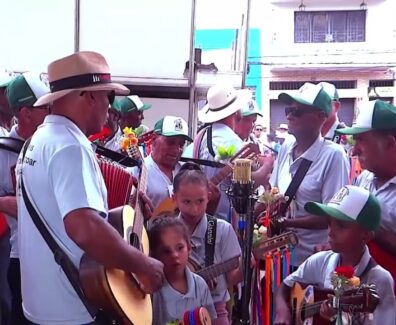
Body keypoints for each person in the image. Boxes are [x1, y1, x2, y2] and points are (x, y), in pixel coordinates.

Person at [16, 51, 164, 325]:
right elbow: (84, 228)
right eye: (108, 96)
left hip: (39, 306)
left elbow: (57, 215)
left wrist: (125, 212)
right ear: (88, 96)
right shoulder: (70, 146)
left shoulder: (36, 141)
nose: (111, 107)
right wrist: (142, 264)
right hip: (71, 310)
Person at [274, 185, 396, 325]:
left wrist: (338, 320)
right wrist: (283, 310)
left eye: (341, 225)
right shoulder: (319, 261)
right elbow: (284, 287)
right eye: (329, 223)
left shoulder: (380, 280)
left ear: (366, 235)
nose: (330, 232)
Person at [269, 82, 350, 269]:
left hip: (309, 262)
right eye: (288, 110)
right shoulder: (287, 146)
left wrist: (286, 223)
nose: (289, 115)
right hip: (277, 259)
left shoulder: (334, 156)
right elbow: (272, 191)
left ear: (320, 116)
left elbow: (332, 216)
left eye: (297, 111)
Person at [0, 72, 50, 324]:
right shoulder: (3, 149)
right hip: (21, 257)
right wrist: (3, 202)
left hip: (58, 258)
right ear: (26, 113)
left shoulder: (55, 144)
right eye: (44, 107)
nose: (51, 112)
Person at [185, 84, 273, 221]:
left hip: (192, 220)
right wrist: (268, 165)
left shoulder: (199, 139)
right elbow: (246, 186)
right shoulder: (233, 142)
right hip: (219, 225)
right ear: (237, 113)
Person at [336, 99, 396, 289]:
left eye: (361, 140)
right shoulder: (364, 179)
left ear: (389, 143)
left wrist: (369, 227)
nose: (354, 149)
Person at [174, 162, 242, 325]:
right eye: (187, 202)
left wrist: (246, 267)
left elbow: (231, 279)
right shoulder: (167, 231)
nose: (194, 209)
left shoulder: (222, 229)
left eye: (200, 201)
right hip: (175, 310)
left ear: (209, 197)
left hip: (214, 311)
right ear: (174, 198)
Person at [149, 217, 217, 324]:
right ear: (154, 256)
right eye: (166, 251)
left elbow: (209, 319)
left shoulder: (200, 285)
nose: (175, 255)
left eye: (180, 248)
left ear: (189, 248)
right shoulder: (153, 290)